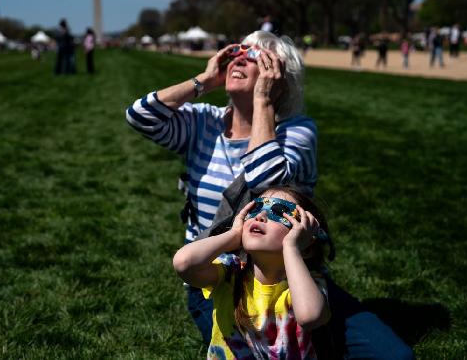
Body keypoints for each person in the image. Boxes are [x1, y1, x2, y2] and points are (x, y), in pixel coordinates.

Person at [126, 30, 413, 359]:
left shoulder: (298, 131)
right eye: (237, 53)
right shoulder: (203, 122)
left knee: (392, 355)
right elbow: (140, 116)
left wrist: (263, 102)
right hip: (221, 275)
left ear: (279, 79)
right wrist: (204, 79)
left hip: (291, 273)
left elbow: (266, 182)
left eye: (255, 57)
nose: (240, 60)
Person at [173, 186, 332, 359]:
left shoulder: (308, 285)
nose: (260, 216)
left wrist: (291, 247)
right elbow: (184, 263)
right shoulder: (230, 273)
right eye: (256, 208)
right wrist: (234, 235)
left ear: (307, 245)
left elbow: (310, 316)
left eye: (279, 212)